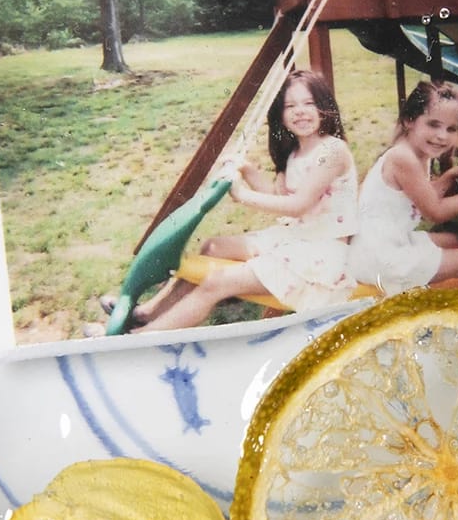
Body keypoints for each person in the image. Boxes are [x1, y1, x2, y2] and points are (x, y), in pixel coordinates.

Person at [135, 70, 359, 331]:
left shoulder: (332, 151)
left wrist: (243, 196)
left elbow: (299, 205)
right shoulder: (296, 152)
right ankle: (150, 313)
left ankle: (141, 336)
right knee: (212, 247)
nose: (300, 111)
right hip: (295, 239)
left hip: (319, 254)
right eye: (290, 106)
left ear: (324, 108)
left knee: (217, 282)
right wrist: (246, 169)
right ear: (281, 116)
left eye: (309, 103)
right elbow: (279, 198)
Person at [348, 79, 458, 296]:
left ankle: (447, 304)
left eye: (451, 129)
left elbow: (420, 195)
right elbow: (436, 212)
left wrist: (449, 176)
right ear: (409, 120)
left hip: (377, 246)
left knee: (454, 240)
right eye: (433, 124)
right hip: (381, 259)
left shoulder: (413, 152)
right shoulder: (404, 158)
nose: (442, 136)